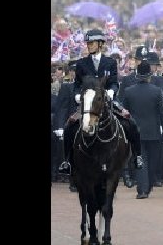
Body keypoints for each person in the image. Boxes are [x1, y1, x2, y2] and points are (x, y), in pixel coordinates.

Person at [58, 29, 143, 175]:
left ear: (100, 44)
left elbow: (114, 82)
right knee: (69, 126)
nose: (88, 45)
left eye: (91, 43)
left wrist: (111, 91)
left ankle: (137, 157)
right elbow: (77, 84)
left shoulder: (109, 62)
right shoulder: (81, 64)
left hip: (108, 100)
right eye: (88, 43)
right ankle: (67, 161)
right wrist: (78, 95)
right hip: (88, 102)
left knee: (131, 123)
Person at [122, 61, 163, 199]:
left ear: (137, 75)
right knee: (152, 161)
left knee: (140, 159)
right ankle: (146, 187)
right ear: (149, 75)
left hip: (135, 131)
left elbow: (124, 112)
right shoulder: (157, 91)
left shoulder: (128, 91)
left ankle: (143, 189)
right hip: (154, 132)